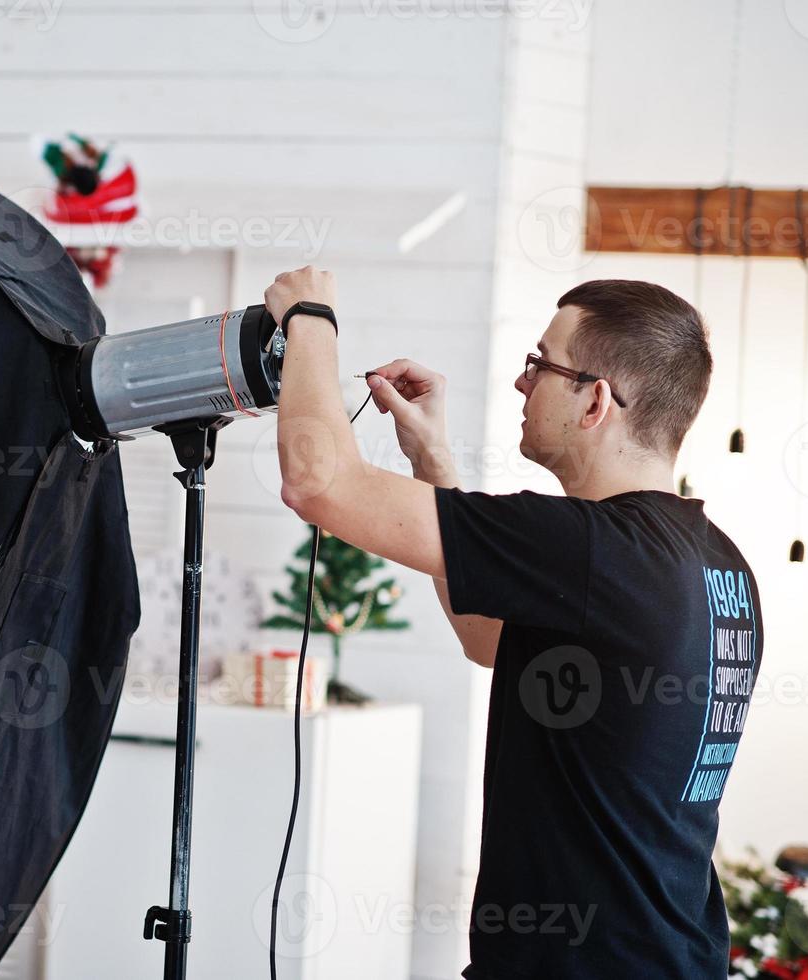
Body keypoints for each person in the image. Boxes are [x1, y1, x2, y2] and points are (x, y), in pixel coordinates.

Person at [265, 267, 761, 979]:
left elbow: (320, 485)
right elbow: (488, 639)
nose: (522, 383)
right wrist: (432, 462)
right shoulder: (719, 565)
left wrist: (308, 317)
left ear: (594, 401)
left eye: (541, 363)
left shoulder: (593, 548)